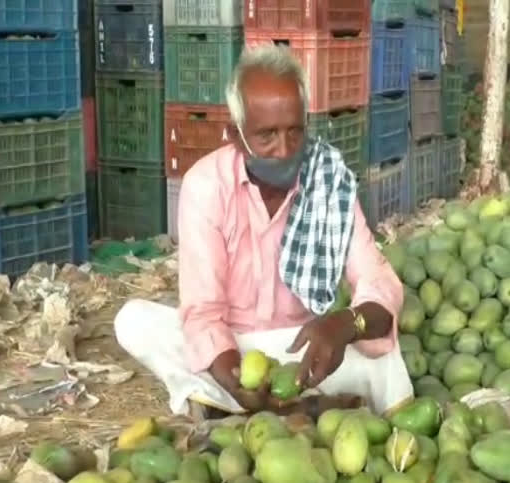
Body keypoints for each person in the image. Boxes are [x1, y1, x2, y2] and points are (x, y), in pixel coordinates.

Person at [114, 44, 412, 417]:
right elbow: (203, 311)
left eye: (294, 132)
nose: (284, 150)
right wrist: (234, 377)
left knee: (384, 353)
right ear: (236, 135)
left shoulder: (329, 180)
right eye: (267, 135)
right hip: (235, 347)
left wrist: (345, 325)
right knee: (134, 321)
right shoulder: (206, 186)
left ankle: (245, 403)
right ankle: (236, 398)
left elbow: (379, 281)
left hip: (304, 349)